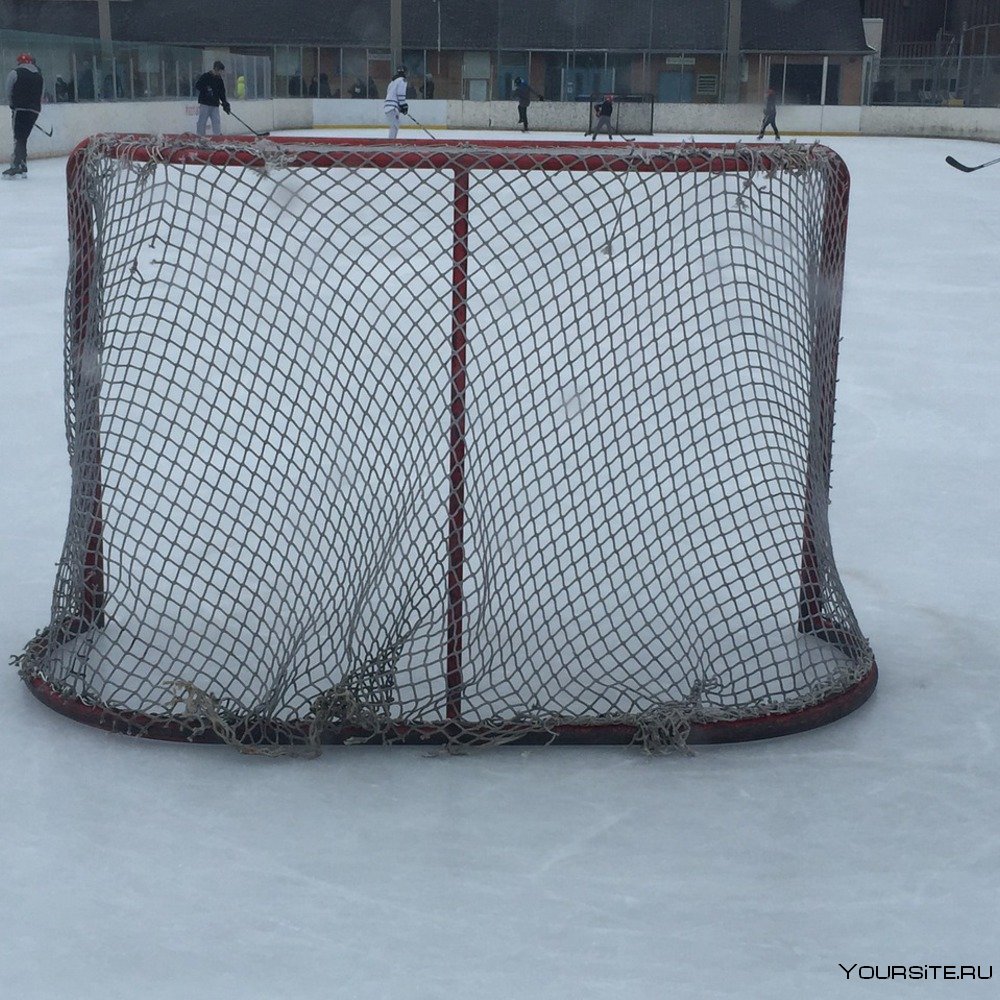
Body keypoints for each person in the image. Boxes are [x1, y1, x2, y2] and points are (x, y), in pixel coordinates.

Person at [4, 53, 43, 178]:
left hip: (20, 109)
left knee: (19, 137)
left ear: (19, 62)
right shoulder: (38, 76)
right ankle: (22, 163)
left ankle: (16, 165)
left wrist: (12, 104)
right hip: (34, 111)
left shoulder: (15, 73)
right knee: (23, 137)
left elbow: (8, 90)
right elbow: (40, 94)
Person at [194, 60, 231, 137]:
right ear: (216, 69)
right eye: (220, 71)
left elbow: (222, 92)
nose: (221, 73)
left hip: (215, 104)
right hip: (205, 103)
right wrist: (206, 89)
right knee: (202, 121)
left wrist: (225, 103)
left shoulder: (219, 80)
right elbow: (198, 85)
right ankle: (200, 136)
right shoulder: (205, 76)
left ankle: (217, 136)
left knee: (216, 121)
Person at [384, 65, 409, 139]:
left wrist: (400, 106)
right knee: (395, 126)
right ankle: (391, 143)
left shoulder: (393, 81)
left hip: (389, 106)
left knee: (395, 125)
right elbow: (400, 93)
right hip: (392, 107)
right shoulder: (402, 80)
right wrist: (403, 105)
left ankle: (391, 142)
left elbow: (389, 92)